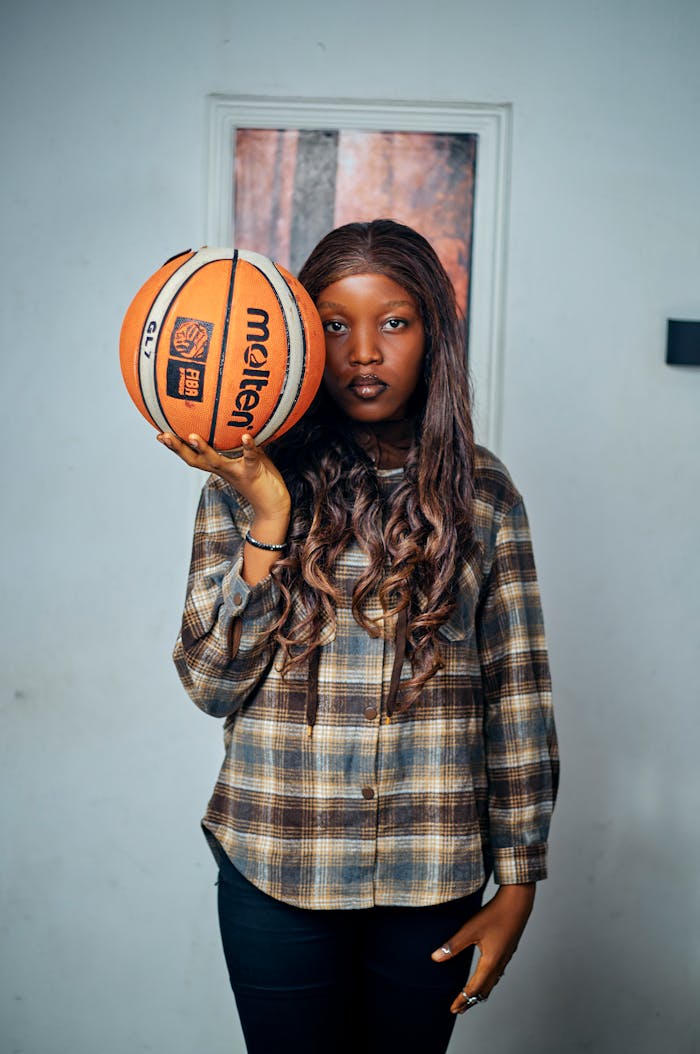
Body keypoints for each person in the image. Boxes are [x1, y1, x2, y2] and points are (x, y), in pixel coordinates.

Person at [158, 219, 558, 1054]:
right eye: (335, 324)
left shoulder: (484, 493)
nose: (364, 352)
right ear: (304, 338)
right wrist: (271, 516)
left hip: (432, 872)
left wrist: (519, 880)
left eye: (395, 322)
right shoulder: (242, 481)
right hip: (274, 860)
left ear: (433, 335)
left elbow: (517, 694)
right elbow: (209, 684)